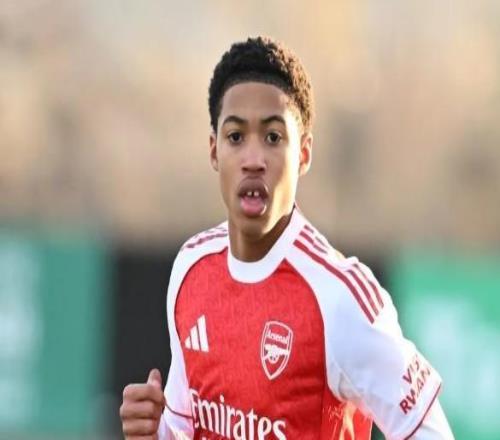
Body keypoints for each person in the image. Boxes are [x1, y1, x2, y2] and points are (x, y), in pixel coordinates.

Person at [120, 36, 454, 440]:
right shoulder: (191, 269)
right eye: (236, 137)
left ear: (304, 153)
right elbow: (183, 428)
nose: (253, 160)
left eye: (273, 137)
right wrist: (154, 433)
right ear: (214, 151)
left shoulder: (339, 296)